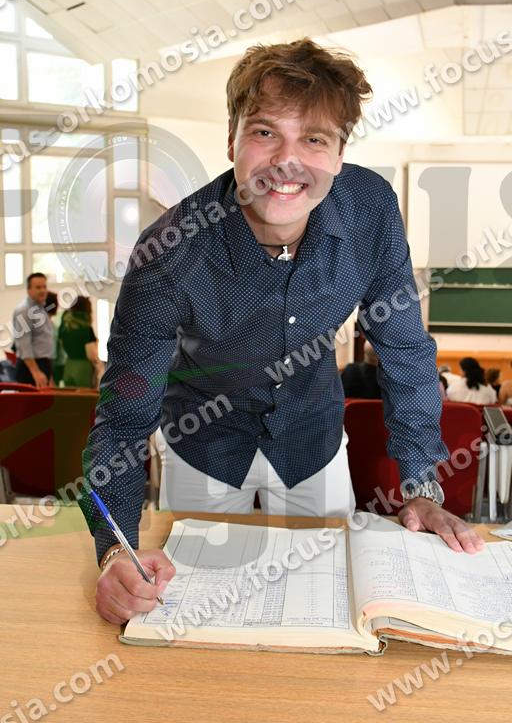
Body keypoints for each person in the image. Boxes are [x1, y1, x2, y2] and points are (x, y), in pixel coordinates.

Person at [78, 39, 484, 626]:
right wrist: (114, 548)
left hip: (313, 435)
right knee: (189, 614)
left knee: (336, 609)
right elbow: (121, 421)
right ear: (232, 140)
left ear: (340, 154)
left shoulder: (370, 211)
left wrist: (423, 485)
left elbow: (404, 350)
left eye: (314, 139)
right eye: (266, 132)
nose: (287, 162)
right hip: (203, 441)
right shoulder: (167, 252)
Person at [12, 272, 54, 387]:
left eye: (44, 287)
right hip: (30, 368)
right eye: (38, 287)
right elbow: (23, 345)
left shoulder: (41, 308)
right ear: (29, 290)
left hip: (43, 364)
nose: (43, 290)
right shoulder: (24, 310)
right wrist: (36, 372)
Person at [59, 296, 103, 388]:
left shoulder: (65, 328)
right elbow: (91, 355)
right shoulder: (86, 329)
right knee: (85, 396)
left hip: (69, 366)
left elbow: (62, 344)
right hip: (83, 368)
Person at [45, 291, 67, 387]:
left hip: (54, 364)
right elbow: (51, 352)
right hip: (52, 366)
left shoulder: (50, 324)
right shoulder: (48, 326)